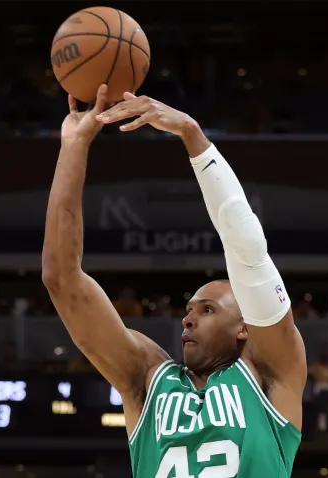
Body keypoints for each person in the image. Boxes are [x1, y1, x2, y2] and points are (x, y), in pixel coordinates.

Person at [42, 85, 306, 478]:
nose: (188, 319)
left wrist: (192, 135)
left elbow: (247, 249)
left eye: (208, 309)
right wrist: (74, 146)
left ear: (244, 328)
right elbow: (61, 279)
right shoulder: (148, 378)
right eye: (189, 310)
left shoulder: (270, 375)